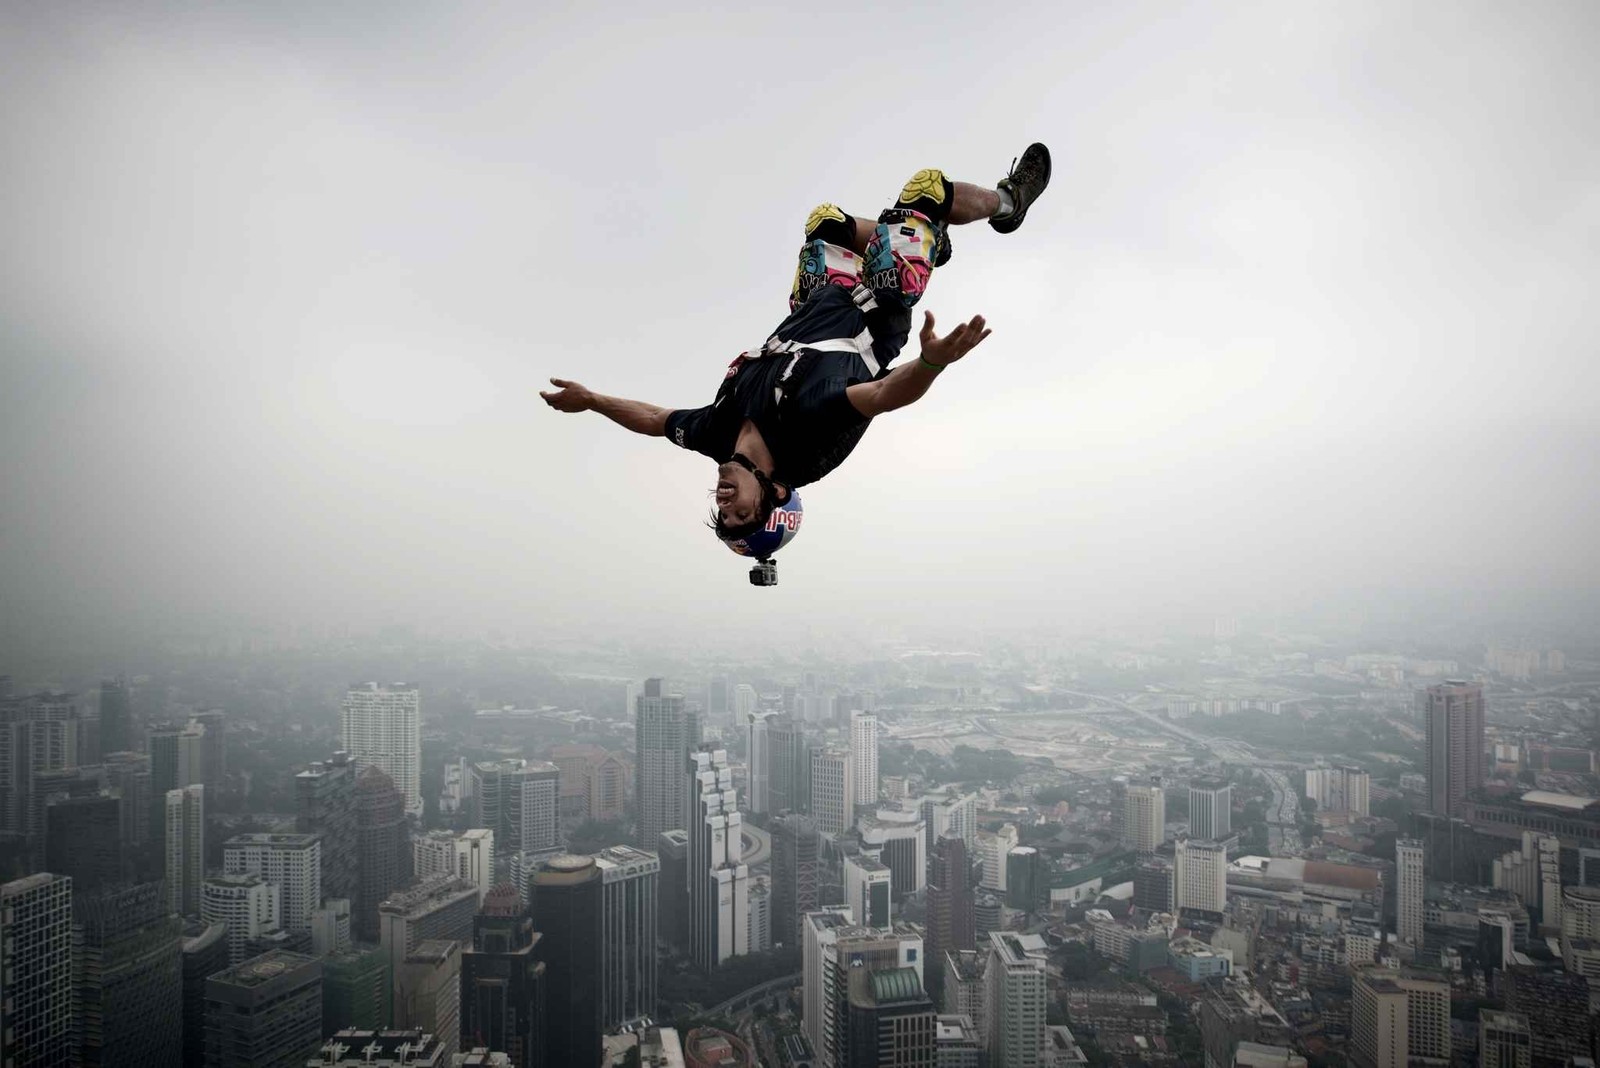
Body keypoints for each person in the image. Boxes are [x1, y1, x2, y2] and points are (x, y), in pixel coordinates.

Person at [541, 143, 1052, 564]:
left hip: (818, 302)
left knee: (826, 221)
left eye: (722, 515)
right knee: (927, 189)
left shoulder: (715, 435)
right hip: (883, 299)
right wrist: (934, 363)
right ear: (774, 496)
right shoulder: (805, 434)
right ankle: (1006, 204)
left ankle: (927, 238)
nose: (724, 503)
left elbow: (653, 420)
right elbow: (883, 394)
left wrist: (591, 400)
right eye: (740, 514)